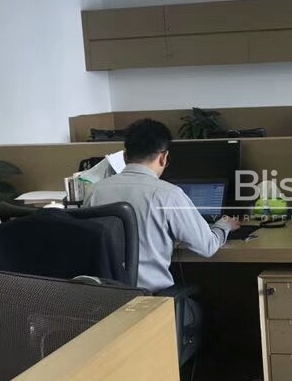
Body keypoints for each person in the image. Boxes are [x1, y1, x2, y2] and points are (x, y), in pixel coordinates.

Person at [84, 118, 240, 291]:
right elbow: (207, 246)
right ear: (163, 158)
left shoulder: (94, 191)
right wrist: (224, 225)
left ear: (125, 156)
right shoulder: (169, 194)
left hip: (105, 297)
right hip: (151, 300)